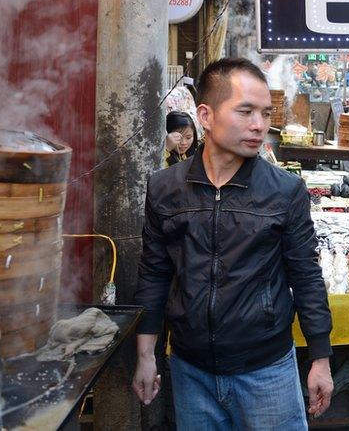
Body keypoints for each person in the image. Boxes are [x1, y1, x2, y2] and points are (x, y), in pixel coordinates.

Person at [133, 58, 333, 429]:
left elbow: (305, 275)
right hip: (190, 368)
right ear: (205, 116)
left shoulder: (285, 191)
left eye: (265, 113)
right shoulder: (164, 187)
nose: (259, 125)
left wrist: (320, 358)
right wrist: (147, 354)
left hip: (266, 369)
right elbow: (154, 273)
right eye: (245, 112)